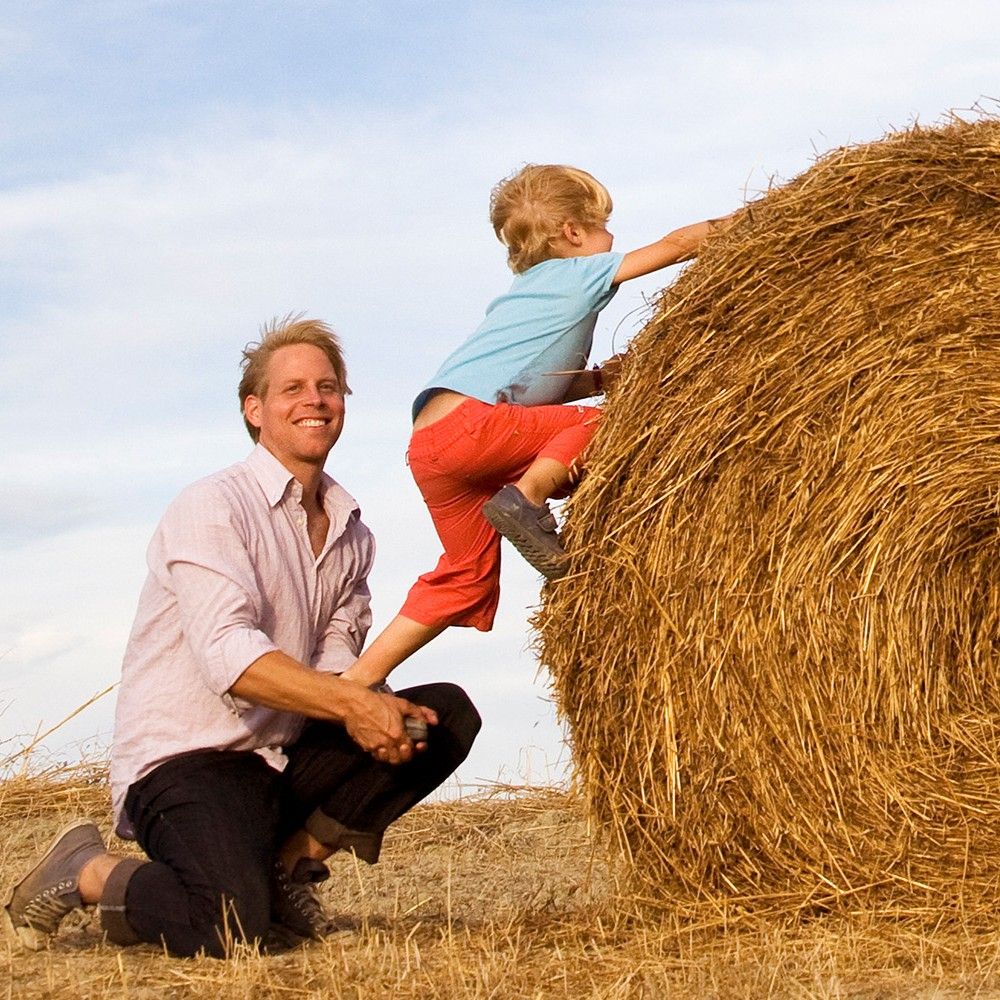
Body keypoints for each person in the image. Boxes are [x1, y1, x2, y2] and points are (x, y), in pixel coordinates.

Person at [4, 317, 481, 958]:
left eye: (328, 386)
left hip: (278, 756)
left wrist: (377, 705)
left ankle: (290, 865)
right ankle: (89, 870)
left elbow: (339, 660)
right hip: (188, 762)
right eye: (292, 389)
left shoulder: (352, 530)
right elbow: (228, 657)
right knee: (232, 928)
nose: (314, 400)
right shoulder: (213, 507)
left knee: (442, 716)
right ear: (255, 411)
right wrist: (352, 704)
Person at [341, 164, 731, 690]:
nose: (612, 237)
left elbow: (534, 384)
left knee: (466, 578)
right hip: (474, 427)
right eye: (604, 225)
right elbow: (679, 242)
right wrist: (760, 221)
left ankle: (357, 681)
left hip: (433, 443)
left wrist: (597, 377)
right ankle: (528, 497)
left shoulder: (527, 295)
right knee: (609, 425)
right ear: (572, 232)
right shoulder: (576, 273)